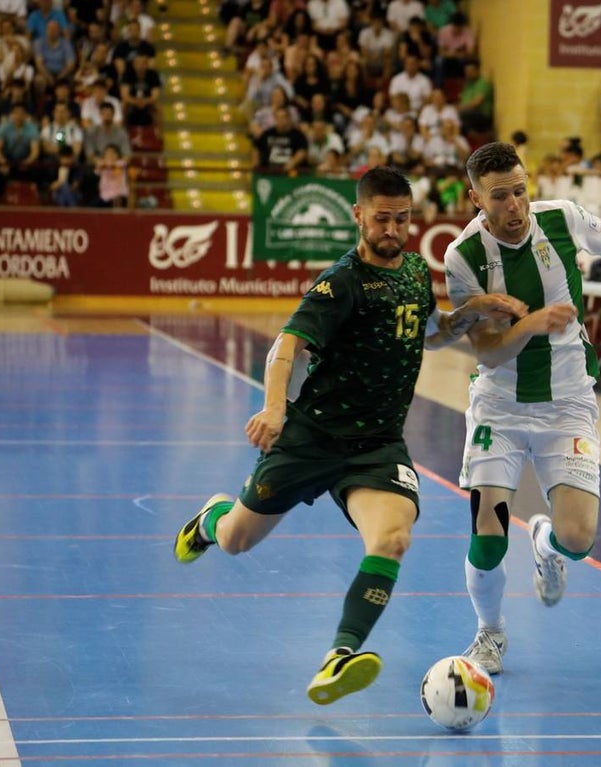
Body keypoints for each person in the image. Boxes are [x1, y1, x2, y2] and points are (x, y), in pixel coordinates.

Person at [173, 167, 527, 705]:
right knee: (236, 540)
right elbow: (287, 346)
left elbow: (430, 333)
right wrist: (274, 408)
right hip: (312, 437)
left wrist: (471, 312)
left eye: (402, 219)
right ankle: (211, 517)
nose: (392, 229)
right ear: (359, 215)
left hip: (377, 446)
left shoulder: (415, 271)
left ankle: (340, 654)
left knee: (393, 538)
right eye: (382, 219)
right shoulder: (340, 283)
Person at [442, 141, 601, 675]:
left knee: (578, 540)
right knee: (488, 535)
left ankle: (545, 543)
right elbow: (488, 352)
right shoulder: (463, 257)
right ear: (475, 199)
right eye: (499, 197)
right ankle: (490, 633)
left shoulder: (562, 218)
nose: (514, 206)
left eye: (520, 191)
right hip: (499, 408)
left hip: (568, 404)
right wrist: (530, 324)